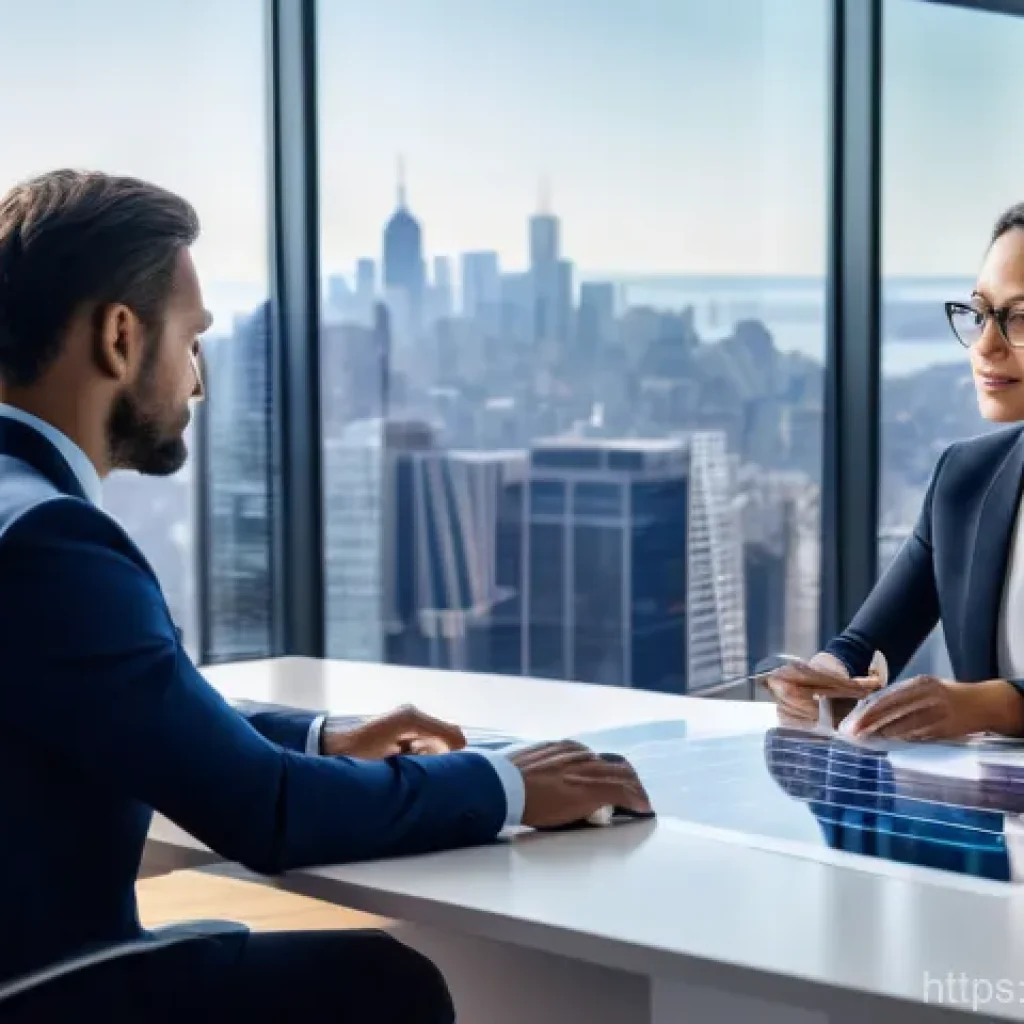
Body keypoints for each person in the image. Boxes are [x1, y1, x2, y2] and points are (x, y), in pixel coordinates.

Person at [0, 169, 652, 1023]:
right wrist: (506, 784)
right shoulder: (51, 542)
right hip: (48, 995)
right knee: (380, 985)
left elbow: (131, 701)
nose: (197, 382)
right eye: (191, 341)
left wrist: (321, 737)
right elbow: (265, 811)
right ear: (120, 338)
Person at [766, 203, 1024, 744]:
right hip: (988, 801)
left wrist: (989, 704)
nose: (985, 344)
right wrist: (827, 680)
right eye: (981, 313)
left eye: (1021, 318)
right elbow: (862, 648)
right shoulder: (965, 480)